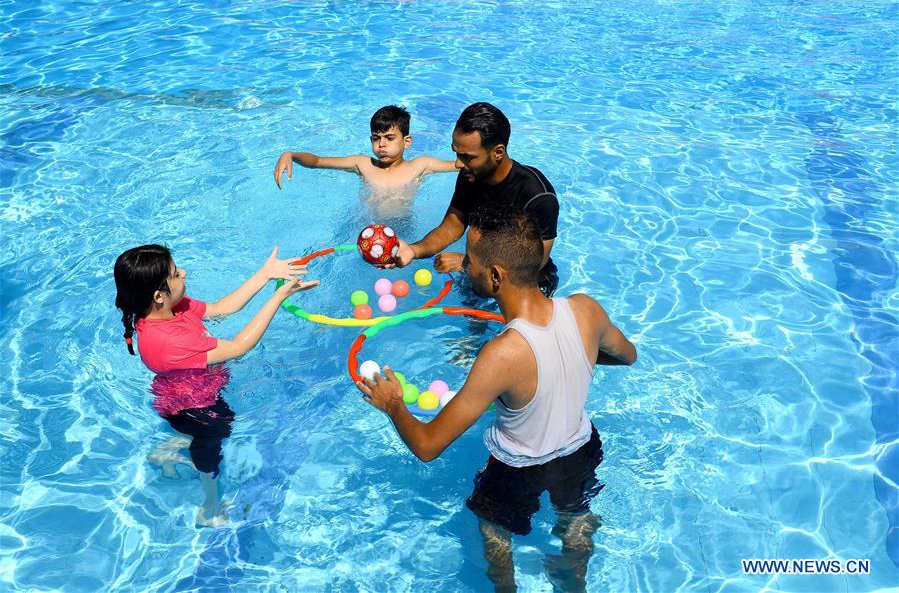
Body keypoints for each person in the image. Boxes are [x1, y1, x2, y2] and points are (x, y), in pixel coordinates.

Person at [358, 204, 637, 592]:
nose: (464, 267)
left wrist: (392, 404)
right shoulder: (585, 310)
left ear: (494, 276)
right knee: (575, 520)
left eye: (469, 262)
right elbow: (627, 355)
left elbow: (426, 446)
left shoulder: (502, 354)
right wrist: (580, 353)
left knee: (494, 533)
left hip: (518, 469)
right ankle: (574, 583)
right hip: (581, 451)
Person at [114, 244, 318, 527]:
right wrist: (279, 298)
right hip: (196, 409)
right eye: (175, 273)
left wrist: (265, 274)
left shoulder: (171, 309)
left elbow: (222, 309)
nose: (183, 272)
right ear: (158, 295)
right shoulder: (166, 341)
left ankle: (172, 446)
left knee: (211, 432)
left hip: (195, 392)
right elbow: (239, 347)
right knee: (211, 448)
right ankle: (209, 509)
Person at [394, 102, 561, 295]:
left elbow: (535, 262)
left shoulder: (537, 195)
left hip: (529, 285)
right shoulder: (471, 175)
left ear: (498, 152)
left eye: (467, 157)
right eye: (456, 154)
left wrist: (466, 263)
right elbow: (452, 226)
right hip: (480, 272)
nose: (458, 163)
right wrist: (414, 250)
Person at [273, 105, 456, 194]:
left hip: (402, 228)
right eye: (376, 139)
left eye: (389, 138)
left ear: (407, 142)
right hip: (365, 229)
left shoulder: (419, 166)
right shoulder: (363, 164)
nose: (381, 144)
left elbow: (459, 164)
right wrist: (291, 155)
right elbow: (317, 162)